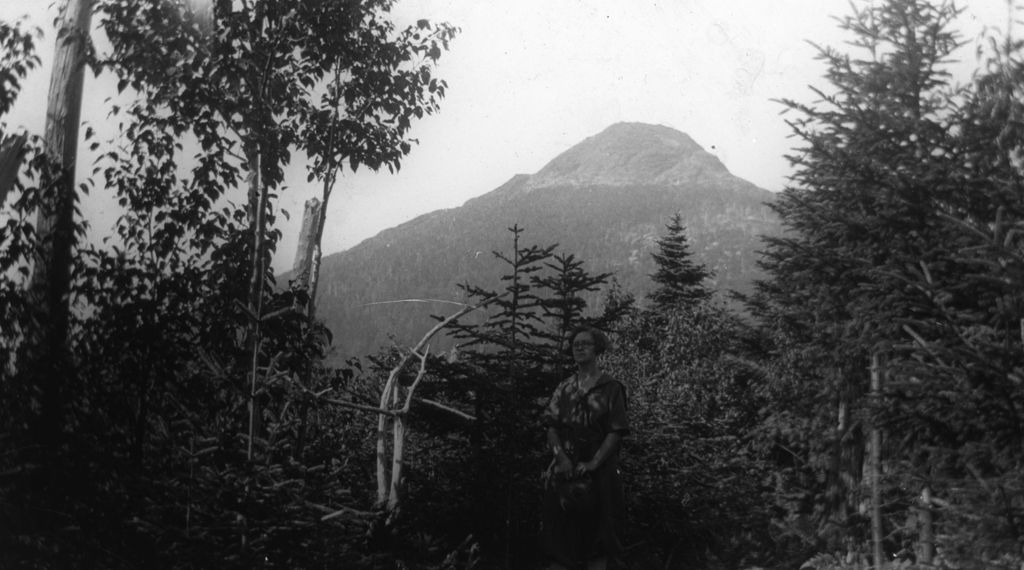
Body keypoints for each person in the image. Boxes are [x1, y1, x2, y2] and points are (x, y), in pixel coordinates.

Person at [541, 325, 630, 570]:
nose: (579, 347)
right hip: (565, 468)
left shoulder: (611, 388)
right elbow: (551, 426)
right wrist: (561, 459)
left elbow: (616, 431)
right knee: (560, 530)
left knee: (603, 533)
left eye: (585, 343)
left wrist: (593, 464)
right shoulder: (564, 388)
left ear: (597, 348)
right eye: (575, 344)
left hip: (601, 470)